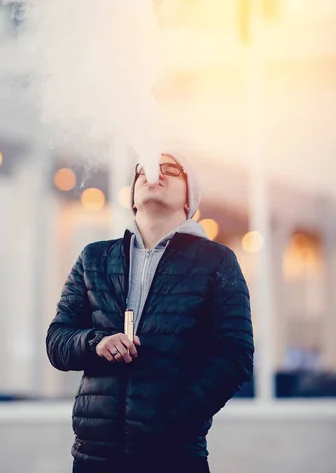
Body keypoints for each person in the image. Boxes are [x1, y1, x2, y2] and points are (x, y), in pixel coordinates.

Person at [46, 151, 254, 473]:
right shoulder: (94, 257)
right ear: (132, 197)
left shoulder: (217, 261)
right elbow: (57, 340)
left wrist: (176, 417)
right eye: (142, 170)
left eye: (172, 169)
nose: (154, 173)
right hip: (94, 456)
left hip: (175, 456)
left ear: (190, 199)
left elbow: (235, 355)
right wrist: (96, 342)